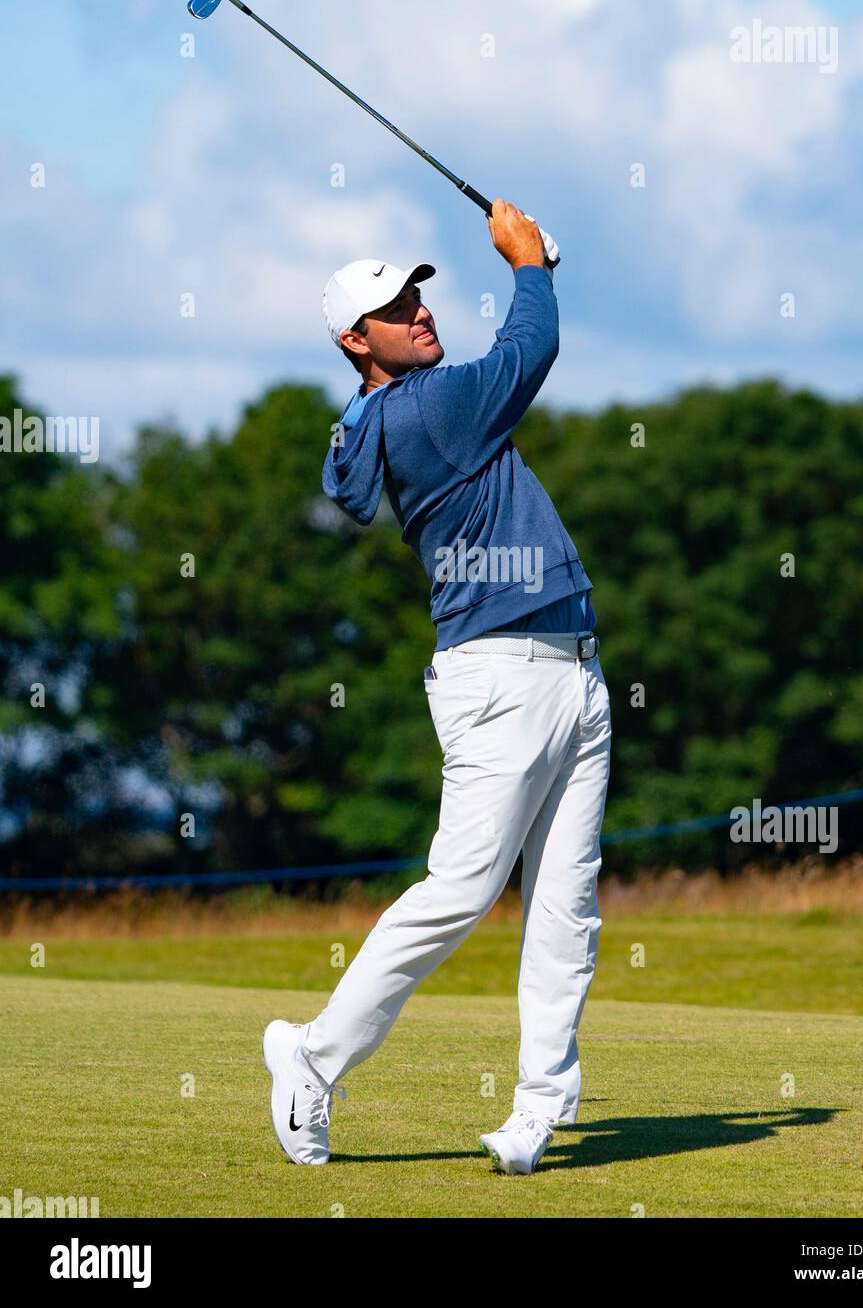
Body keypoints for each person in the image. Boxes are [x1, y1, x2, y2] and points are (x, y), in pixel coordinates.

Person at [262, 200, 612, 1174]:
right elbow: (530, 347)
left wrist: (531, 264)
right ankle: (311, 1060)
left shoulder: (389, 411)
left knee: (564, 906)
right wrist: (529, 263)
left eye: (417, 291)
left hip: (573, 670)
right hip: (502, 677)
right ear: (354, 340)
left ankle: (539, 1106)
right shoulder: (429, 406)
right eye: (393, 307)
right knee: (460, 890)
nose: (417, 309)